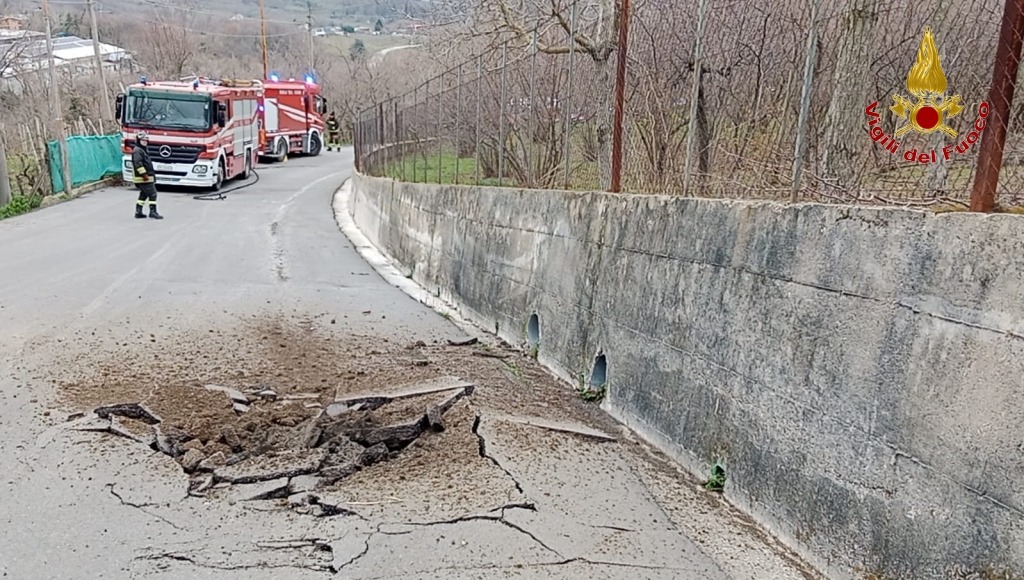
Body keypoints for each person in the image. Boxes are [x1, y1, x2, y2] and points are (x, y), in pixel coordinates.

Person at [131, 132, 162, 220]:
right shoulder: (138, 151)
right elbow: (138, 164)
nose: (145, 142)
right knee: (153, 194)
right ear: (138, 141)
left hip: (146, 177)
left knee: (144, 194)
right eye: (143, 140)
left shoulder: (142, 149)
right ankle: (153, 212)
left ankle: (138, 212)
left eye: (146, 140)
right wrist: (144, 175)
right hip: (143, 178)